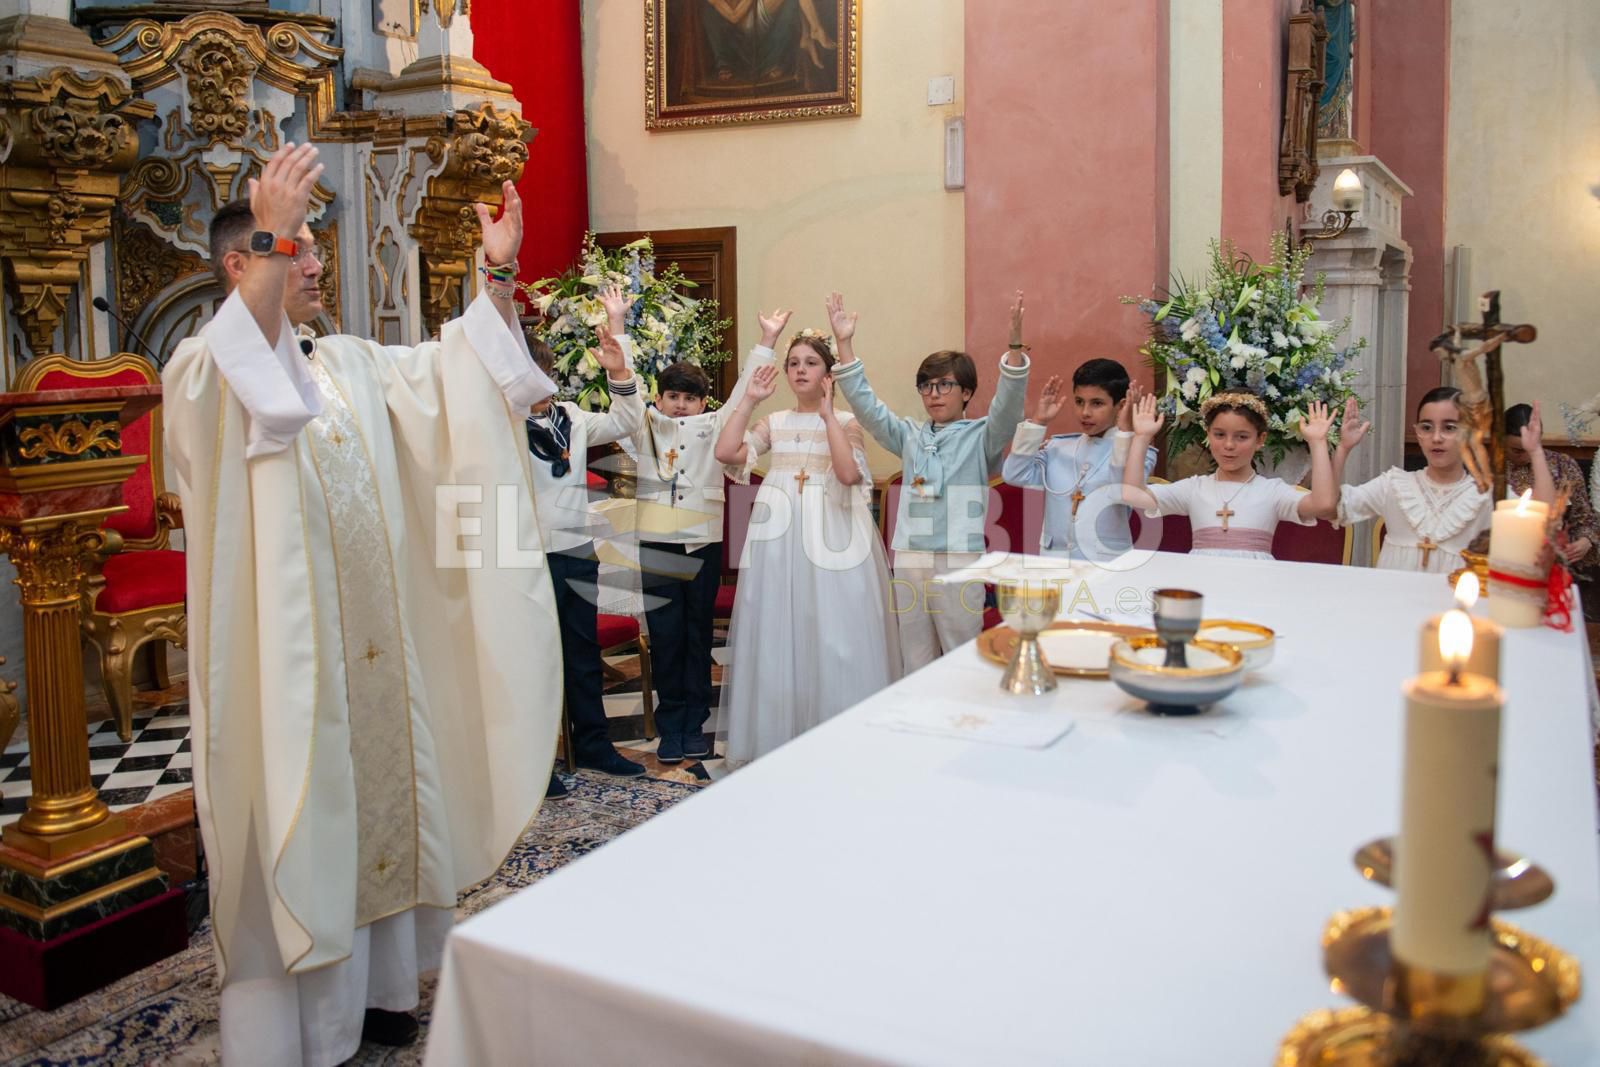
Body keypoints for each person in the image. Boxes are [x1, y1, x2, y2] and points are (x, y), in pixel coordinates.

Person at [163, 142, 561, 1066]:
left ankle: (381, 994)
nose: (315, 263)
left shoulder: (346, 362)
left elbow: (457, 377)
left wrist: (498, 273)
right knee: (301, 817)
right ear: (242, 263)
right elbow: (242, 385)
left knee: (381, 803)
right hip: (287, 674)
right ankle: (291, 1031)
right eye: (297, 248)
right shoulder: (204, 371)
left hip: (377, 656)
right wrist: (272, 227)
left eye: (312, 247)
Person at [713, 328, 899, 762]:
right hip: (778, 535)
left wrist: (830, 416)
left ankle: (837, 739)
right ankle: (779, 736)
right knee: (779, 625)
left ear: (827, 374)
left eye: (811, 363)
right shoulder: (774, 423)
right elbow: (726, 451)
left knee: (832, 627)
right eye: (793, 363)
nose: (800, 370)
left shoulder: (846, 422)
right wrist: (749, 401)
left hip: (831, 533)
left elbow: (848, 475)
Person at [831, 291, 1030, 669]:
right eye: (926, 386)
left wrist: (1015, 348)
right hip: (910, 555)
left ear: (967, 392)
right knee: (914, 654)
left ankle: (963, 707)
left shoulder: (982, 436)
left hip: (959, 557)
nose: (934, 394)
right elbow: (868, 408)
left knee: (961, 652)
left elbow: (1008, 408)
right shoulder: (909, 434)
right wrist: (845, 344)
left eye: (944, 385)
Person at [624, 305, 778, 765]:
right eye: (672, 396)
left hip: (702, 544)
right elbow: (624, 389)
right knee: (665, 636)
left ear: (703, 403)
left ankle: (695, 724)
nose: (680, 405)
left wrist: (767, 340)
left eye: (689, 398)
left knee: (697, 635)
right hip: (657, 545)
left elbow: (742, 394)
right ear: (659, 398)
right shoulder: (643, 427)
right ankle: (670, 725)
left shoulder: (716, 427)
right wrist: (615, 327)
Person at [523, 288, 646, 788]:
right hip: (526, 557)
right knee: (533, 659)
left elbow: (627, 421)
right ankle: (534, 763)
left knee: (581, 654)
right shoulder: (499, 425)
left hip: (575, 551)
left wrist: (619, 367)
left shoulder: (570, 417)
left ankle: (593, 743)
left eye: (542, 372)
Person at [1327, 392, 1557, 573]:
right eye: (1427, 427)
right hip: (1394, 597)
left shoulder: (1485, 494)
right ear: (1418, 433)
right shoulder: (1394, 485)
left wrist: (1535, 451)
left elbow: (1542, 520)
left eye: (1449, 428)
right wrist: (1343, 449)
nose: (1436, 438)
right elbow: (1331, 506)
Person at [1122, 391, 1337, 560]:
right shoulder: (1194, 489)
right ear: (1208, 435)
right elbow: (1133, 495)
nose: (1229, 445)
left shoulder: (1272, 492)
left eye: (1241, 437)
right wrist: (1141, 437)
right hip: (1202, 582)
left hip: (1255, 583)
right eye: (1219, 435)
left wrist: (1317, 442)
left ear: (1260, 439)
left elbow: (1324, 504)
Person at [1003, 359, 1157, 562]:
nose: (1085, 412)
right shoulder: (1057, 447)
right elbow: (1014, 475)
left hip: (1105, 564)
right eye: (1079, 401)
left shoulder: (1139, 453)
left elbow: (1123, 492)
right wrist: (1039, 422)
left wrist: (1126, 431)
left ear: (1121, 406)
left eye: (1097, 403)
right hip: (1054, 562)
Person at [1505, 402, 1594, 613]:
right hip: (1505, 561)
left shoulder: (1563, 465)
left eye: (1530, 448)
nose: (1525, 455)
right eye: (1516, 450)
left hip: (1557, 565)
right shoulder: (1491, 468)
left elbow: (1584, 516)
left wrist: (1586, 540)